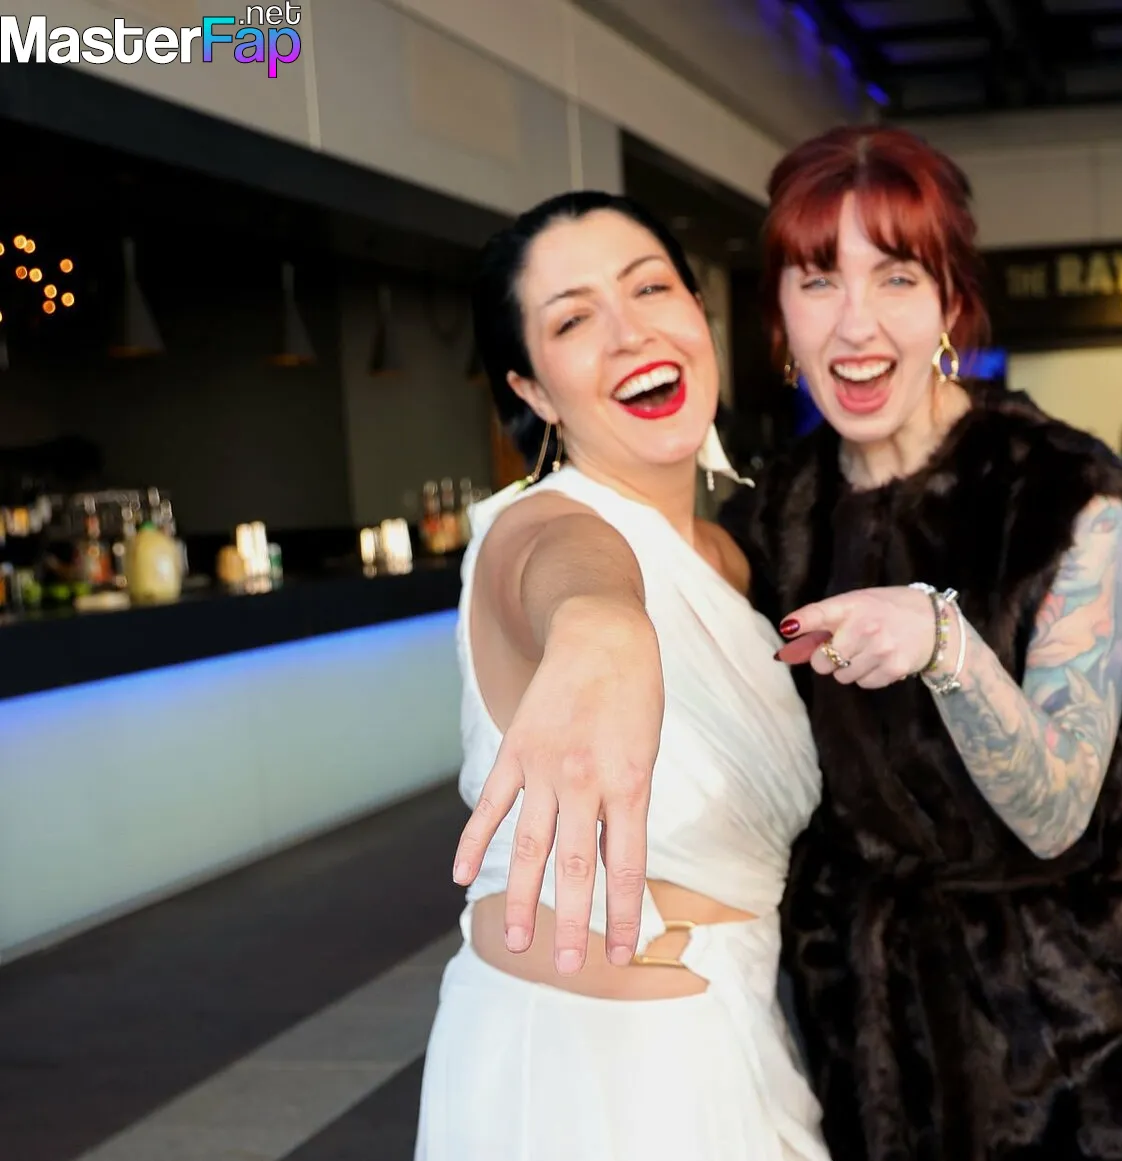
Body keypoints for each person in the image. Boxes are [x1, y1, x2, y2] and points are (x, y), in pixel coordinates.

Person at [724, 125, 1122, 1161]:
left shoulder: (1061, 498)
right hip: (868, 1036)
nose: (856, 323)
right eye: (819, 281)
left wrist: (945, 643)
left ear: (952, 303)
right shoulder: (775, 514)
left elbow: (1055, 815)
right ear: (780, 313)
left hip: (1073, 1036)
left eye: (897, 277)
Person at [424, 191, 830, 1159]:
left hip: (735, 1038)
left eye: (650, 289)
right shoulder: (536, 525)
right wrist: (600, 625)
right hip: (584, 1077)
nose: (629, 332)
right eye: (573, 319)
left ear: (699, 312)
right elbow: (568, 563)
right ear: (532, 390)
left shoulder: (735, 559)